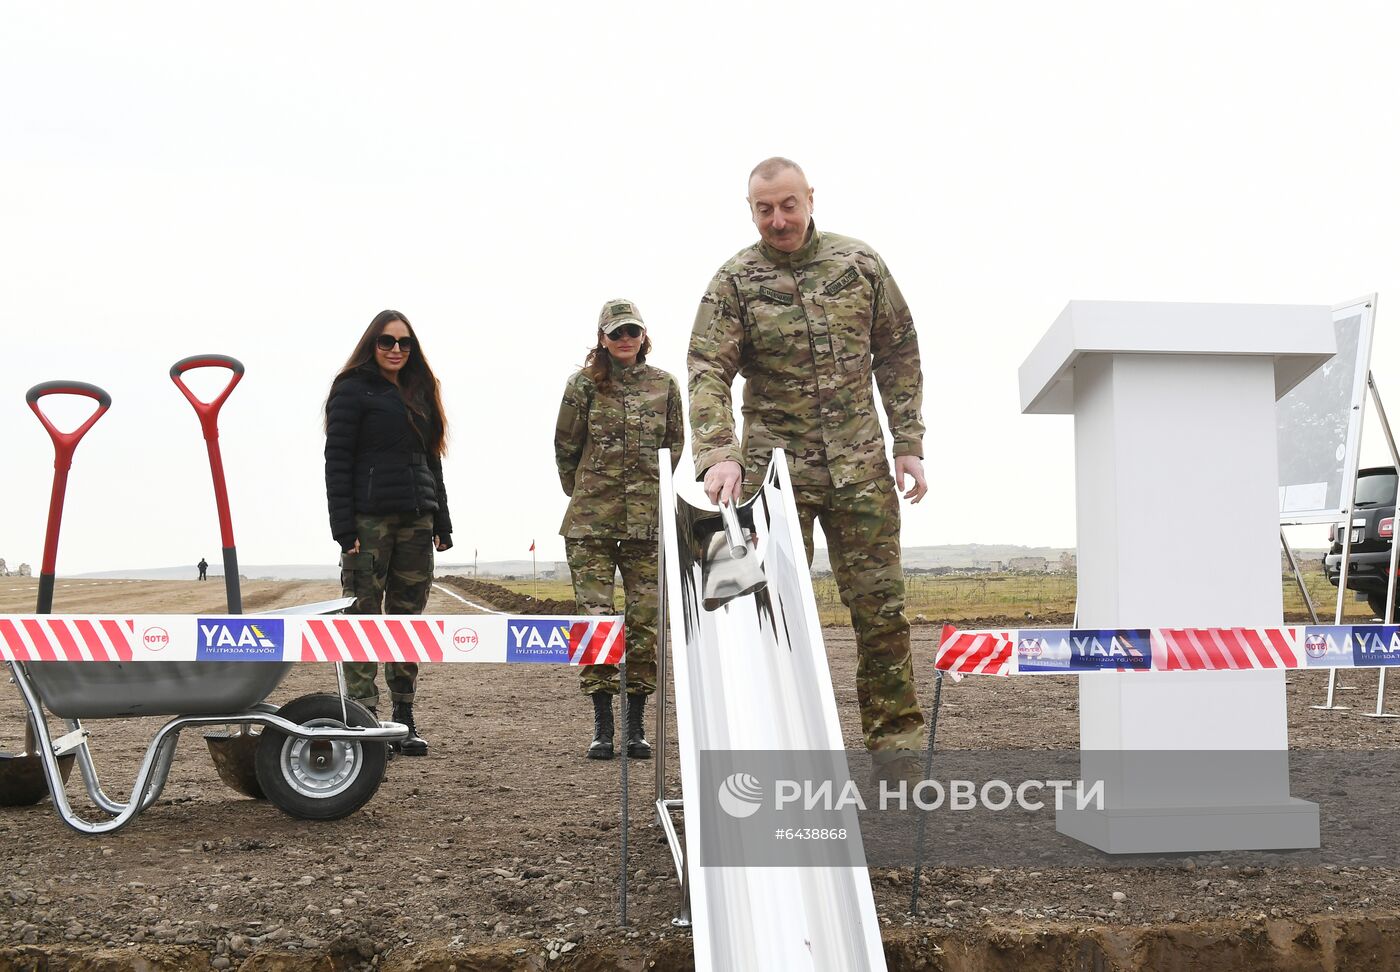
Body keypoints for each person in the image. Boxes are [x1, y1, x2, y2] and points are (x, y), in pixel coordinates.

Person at [688, 157, 929, 777]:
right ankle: (767, 757)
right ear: (751, 211)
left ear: (810, 199)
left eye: (788, 205)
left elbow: (897, 351)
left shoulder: (859, 264)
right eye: (764, 209)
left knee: (881, 614)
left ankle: (896, 757)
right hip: (773, 477)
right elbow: (706, 370)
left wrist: (909, 441)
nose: (778, 220)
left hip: (861, 469)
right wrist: (719, 453)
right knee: (757, 611)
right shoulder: (734, 281)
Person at [555, 299, 685, 760]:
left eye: (632, 331)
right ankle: (602, 726)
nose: (624, 339)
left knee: (644, 623)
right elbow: (565, 450)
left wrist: (645, 496)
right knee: (596, 624)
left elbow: (673, 447)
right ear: (602, 339)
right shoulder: (583, 386)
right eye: (616, 333)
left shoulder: (664, 386)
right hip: (591, 525)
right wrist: (591, 494)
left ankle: (635, 727)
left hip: (646, 526)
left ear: (643, 336)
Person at [324, 309, 452, 757]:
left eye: (404, 342)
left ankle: (403, 716)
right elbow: (337, 461)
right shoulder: (351, 390)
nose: (396, 350)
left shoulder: (421, 390)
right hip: (368, 522)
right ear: (371, 344)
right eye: (386, 341)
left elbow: (432, 460)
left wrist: (442, 521)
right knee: (362, 618)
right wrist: (343, 527)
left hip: (417, 521)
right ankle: (362, 717)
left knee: (405, 622)